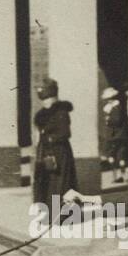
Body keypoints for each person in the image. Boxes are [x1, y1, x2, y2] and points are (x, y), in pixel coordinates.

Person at [32, 78, 77, 219]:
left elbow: (65, 133)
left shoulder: (61, 112)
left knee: (59, 182)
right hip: (44, 151)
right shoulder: (41, 114)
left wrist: (50, 138)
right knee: (43, 181)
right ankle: (45, 212)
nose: (46, 102)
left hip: (59, 152)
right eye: (44, 99)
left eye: (48, 99)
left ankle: (60, 215)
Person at [102, 86, 128, 179]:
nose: (108, 100)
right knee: (119, 155)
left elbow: (116, 120)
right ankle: (118, 175)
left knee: (114, 155)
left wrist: (108, 120)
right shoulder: (115, 107)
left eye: (109, 99)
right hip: (119, 135)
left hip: (115, 135)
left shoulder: (115, 108)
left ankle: (117, 175)